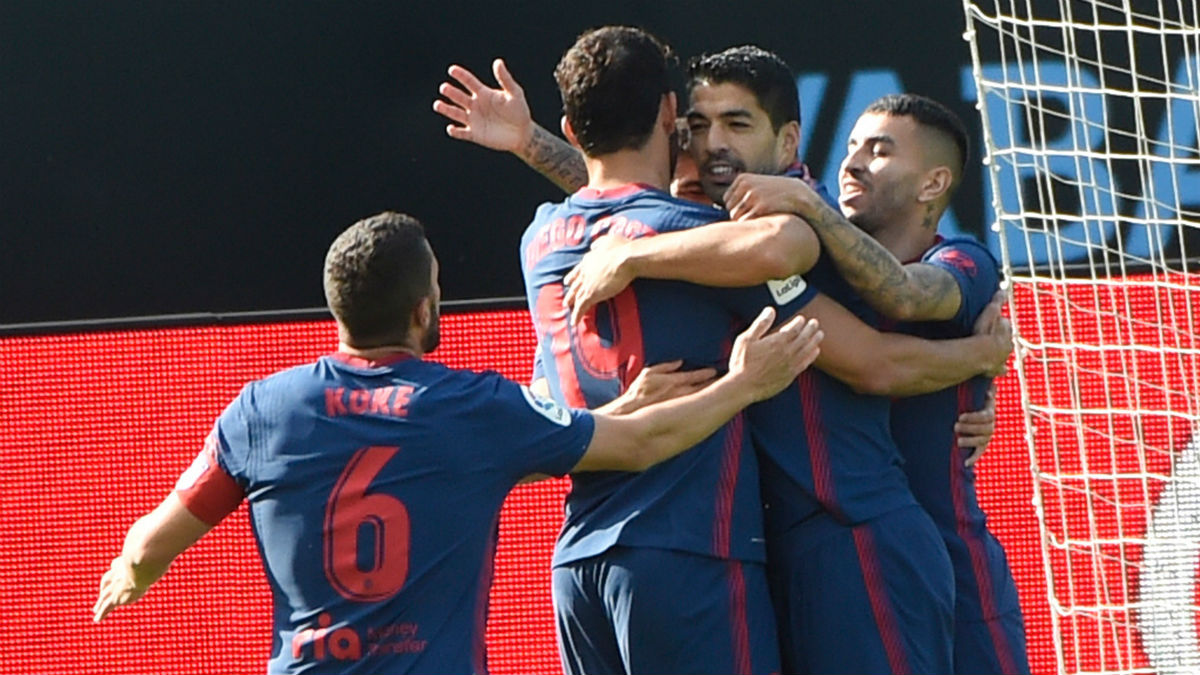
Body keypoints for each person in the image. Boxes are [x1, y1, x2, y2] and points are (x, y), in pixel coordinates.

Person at [439, 36, 1011, 675]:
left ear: (790, 144)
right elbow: (631, 203)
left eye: (736, 124)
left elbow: (877, 336)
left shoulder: (802, 219)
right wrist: (534, 145)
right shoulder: (707, 232)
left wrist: (981, 355)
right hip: (764, 547)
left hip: (853, 533)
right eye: (697, 125)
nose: (712, 143)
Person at [91, 211, 825, 675]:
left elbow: (151, 541)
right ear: (422, 307)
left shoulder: (264, 409)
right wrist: (741, 385)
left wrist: (131, 573)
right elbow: (635, 447)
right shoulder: (472, 410)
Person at [725, 93, 1031, 674]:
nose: (853, 162)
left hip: (956, 568)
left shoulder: (963, 261)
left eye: (880, 150)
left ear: (932, 184)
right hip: (842, 570)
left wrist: (813, 211)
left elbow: (905, 296)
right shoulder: (822, 271)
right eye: (851, 147)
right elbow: (674, 206)